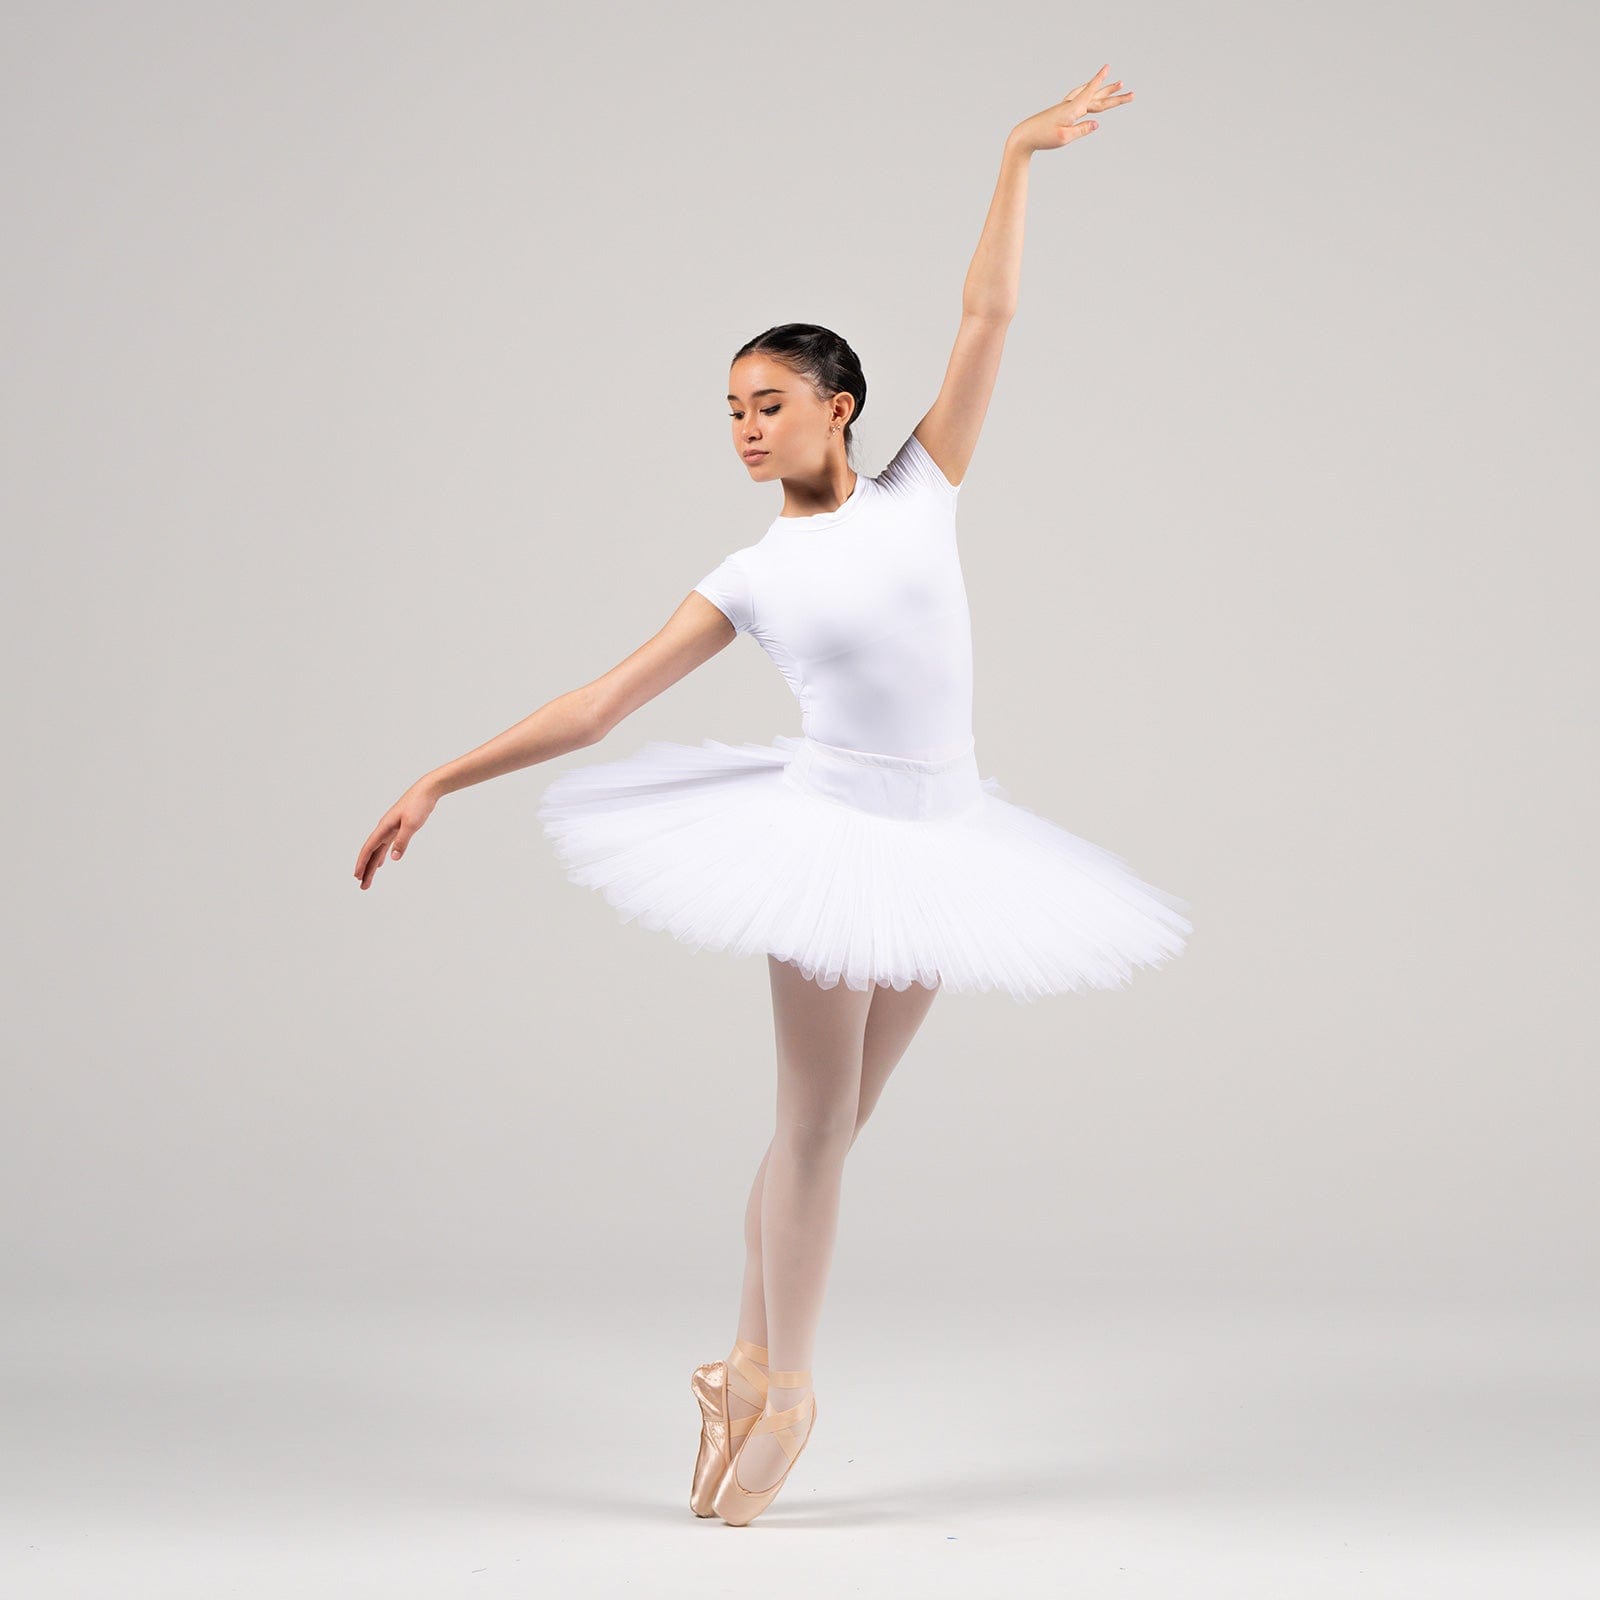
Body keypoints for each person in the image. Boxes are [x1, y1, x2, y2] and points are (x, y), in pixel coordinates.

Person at [354, 64, 1185, 1526]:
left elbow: (987, 320)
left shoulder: (922, 488)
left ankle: (738, 1367)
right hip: (826, 840)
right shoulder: (751, 574)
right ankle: (786, 1388)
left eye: (770, 403)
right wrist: (442, 774)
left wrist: (1016, 157)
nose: (744, 428)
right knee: (811, 1130)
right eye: (731, 410)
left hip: (948, 838)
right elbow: (601, 702)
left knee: (836, 1133)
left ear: (837, 408)